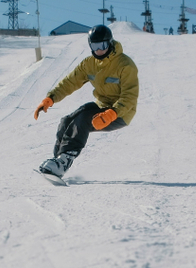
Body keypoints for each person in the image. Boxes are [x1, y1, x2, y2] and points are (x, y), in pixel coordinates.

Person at [33, 25, 139, 178]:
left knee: (82, 121)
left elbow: (130, 96)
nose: (99, 50)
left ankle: (63, 163)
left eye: (102, 45)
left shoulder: (125, 65)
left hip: (120, 113)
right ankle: (58, 161)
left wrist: (112, 113)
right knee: (67, 121)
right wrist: (51, 98)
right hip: (102, 106)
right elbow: (70, 82)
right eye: (94, 46)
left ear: (109, 43)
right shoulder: (89, 63)